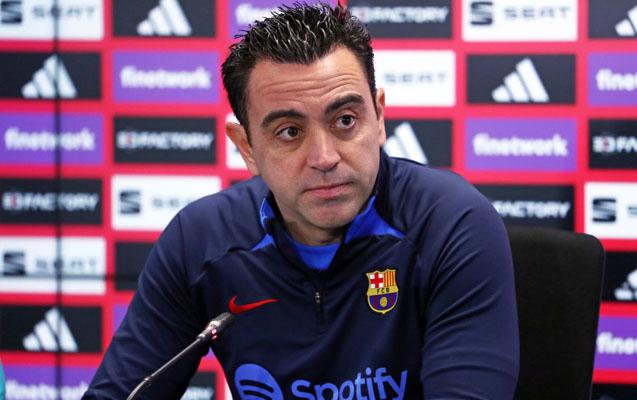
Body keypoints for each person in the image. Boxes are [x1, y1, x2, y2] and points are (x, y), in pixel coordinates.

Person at [84, 3, 519, 399]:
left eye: (345, 120)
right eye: (289, 132)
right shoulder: (200, 240)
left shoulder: (450, 223)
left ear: (379, 116)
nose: (324, 158)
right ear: (247, 147)